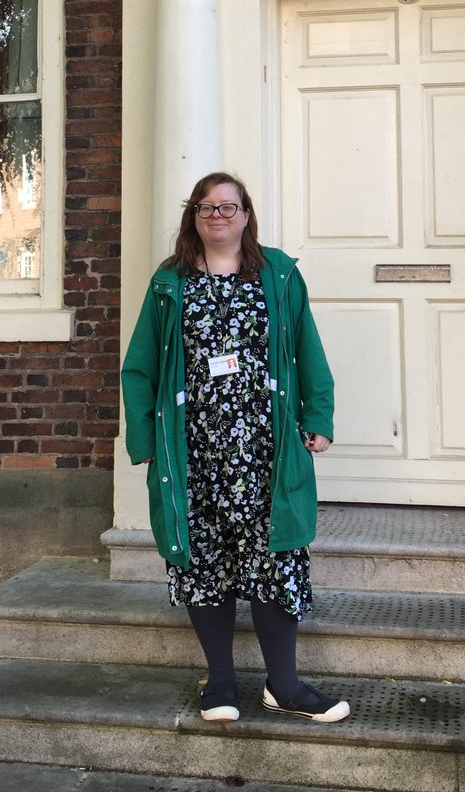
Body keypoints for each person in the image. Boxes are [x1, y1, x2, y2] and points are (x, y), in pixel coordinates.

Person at [121, 171, 350, 725]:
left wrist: (318, 417)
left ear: (246, 215)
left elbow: (307, 349)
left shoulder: (279, 274)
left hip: (265, 450)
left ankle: (285, 685)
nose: (216, 215)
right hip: (193, 449)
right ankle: (220, 682)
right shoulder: (169, 282)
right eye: (205, 207)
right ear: (192, 218)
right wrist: (147, 439)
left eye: (227, 206)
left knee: (275, 559)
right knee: (203, 562)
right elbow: (141, 366)